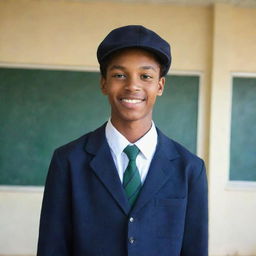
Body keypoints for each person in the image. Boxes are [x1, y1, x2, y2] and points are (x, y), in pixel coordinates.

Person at [37, 25, 208, 256]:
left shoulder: (189, 168)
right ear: (103, 83)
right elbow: (52, 248)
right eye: (119, 75)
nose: (132, 86)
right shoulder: (68, 161)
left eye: (145, 76)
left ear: (160, 85)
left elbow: (195, 249)